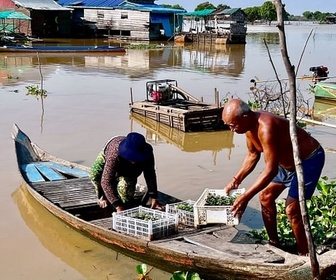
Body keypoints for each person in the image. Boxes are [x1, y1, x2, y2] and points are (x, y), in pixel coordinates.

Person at [222, 99, 325, 255]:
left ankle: (304, 252)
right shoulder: (248, 128)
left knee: (292, 209)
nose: (232, 130)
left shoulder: (266, 127)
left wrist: (245, 198)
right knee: (265, 198)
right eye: (229, 126)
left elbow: (270, 170)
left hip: (308, 160)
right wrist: (235, 181)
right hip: (286, 163)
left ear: (245, 117)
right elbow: (252, 155)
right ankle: (274, 244)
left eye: (233, 125)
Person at [90, 132, 162, 212]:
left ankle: (123, 203)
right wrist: (118, 206)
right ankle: (103, 197)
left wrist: (154, 197)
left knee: (125, 190)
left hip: (131, 170)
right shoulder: (114, 153)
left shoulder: (147, 154)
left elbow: (150, 174)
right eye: (132, 157)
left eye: (136, 157)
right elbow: (105, 181)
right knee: (95, 175)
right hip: (110, 154)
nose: (134, 161)